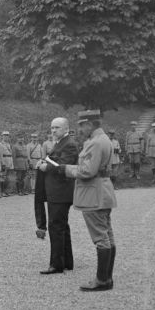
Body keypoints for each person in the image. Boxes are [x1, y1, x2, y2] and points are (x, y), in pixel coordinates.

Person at [58, 110, 117, 291]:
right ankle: (106, 278)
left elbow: (87, 171)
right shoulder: (104, 139)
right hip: (103, 191)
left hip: (93, 194)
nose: (80, 128)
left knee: (100, 238)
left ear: (90, 124)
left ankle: (102, 280)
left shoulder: (95, 143)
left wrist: (65, 169)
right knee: (107, 235)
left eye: (82, 125)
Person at [36, 117, 78, 274]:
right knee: (62, 227)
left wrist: (46, 167)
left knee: (56, 227)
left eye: (57, 128)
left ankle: (57, 264)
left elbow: (65, 167)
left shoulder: (70, 145)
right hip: (57, 191)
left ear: (66, 128)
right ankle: (66, 261)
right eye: (52, 128)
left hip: (61, 192)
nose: (53, 130)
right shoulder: (62, 143)